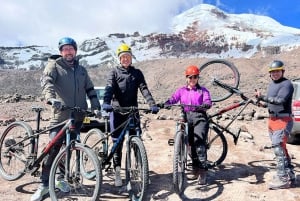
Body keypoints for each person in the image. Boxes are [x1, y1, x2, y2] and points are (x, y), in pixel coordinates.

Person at [31, 37, 101, 201]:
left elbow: (90, 89)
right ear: (61, 52)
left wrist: (96, 106)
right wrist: (51, 98)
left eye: (71, 48)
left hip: (78, 116)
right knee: (53, 150)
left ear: (75, 51)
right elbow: (47, 82)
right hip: (60, 115)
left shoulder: (82, 70)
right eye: (65, 49)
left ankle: (60, 178)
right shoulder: (54, 65)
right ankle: (43, 186)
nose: (68, 51)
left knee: (69, 150)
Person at [102, 43, 159, 187]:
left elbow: (144, 89)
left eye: (128, 56)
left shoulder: (137, 73)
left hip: (132, 111)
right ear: (119, 59)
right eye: (123, 57)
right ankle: (117, 173)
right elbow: (109, 89)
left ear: (131, 58)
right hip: (117, 111)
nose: (126, 59)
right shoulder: (114, 72)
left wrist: (152, 103)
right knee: (118, 143)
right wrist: (106, 102)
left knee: (136, 141)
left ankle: (141, 171)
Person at [164, 65, 212, 185]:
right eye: (190, 77)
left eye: (195, 77)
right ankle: (195, 168)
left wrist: (206, 105)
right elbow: (174, 99)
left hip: (199, 117)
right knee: (190, 145)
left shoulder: (203, 90)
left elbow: (208, 101)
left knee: (199, 143)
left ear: (198, 78)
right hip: (187, 118)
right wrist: (167, 103)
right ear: (186, 78)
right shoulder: (182, 90)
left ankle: (202, 172)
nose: (192, 79)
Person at [255, 60, 296, 190]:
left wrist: (263, 98)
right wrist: (261, 103)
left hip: (283, 121)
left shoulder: (287, 84)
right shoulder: (272, 85)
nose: (275, 74)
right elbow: (271, 102)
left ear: (282, 71)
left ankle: (282, 178)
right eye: (273, 72)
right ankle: (289, 173)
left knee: (278, 147)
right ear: (270, 74)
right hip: (272, 120)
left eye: (277, 71)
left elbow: (281, 101)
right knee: (281, 147)